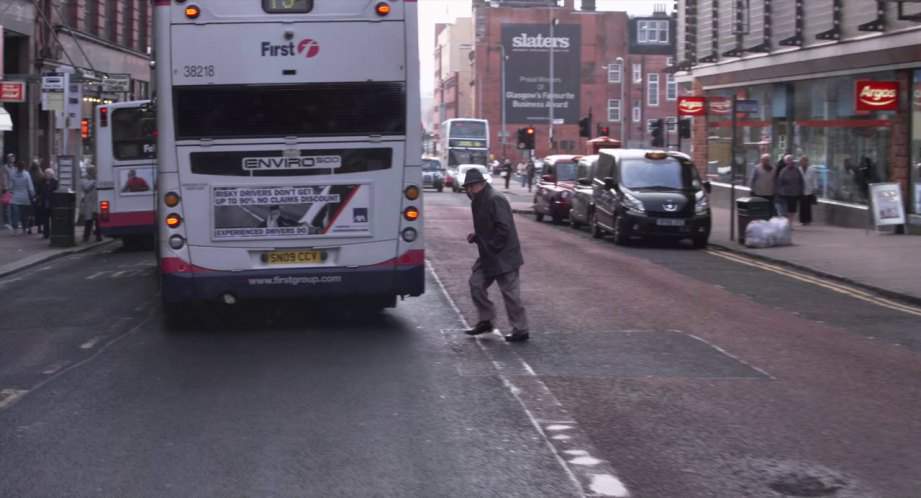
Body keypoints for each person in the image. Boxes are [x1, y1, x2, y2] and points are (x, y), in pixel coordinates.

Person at [463, 168, 529, 342]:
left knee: (510, 294)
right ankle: (486, 320)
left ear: (477, 184)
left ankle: (521, 329)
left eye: (469, 187)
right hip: (489, 254)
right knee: (476, 284)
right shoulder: (477, 200)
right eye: (467, 188)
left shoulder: (495, 198)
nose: (467, 191)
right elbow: (488, 226)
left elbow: (503, 228)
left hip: (503, 255)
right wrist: (477, 237)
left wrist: (491, 246)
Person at [774, 154, 804, 225]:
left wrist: (801, 190)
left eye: (791, 160)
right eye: (788, 161)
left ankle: (790, 223)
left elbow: (801, 181)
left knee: (792, 210)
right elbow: (779, 182)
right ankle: (786, 224)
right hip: (785, 194)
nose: (790, 162)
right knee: (785, 210)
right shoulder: (783, 171)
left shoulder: (797, 170)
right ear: (786, 162)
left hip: (794, 193)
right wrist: (779, 191)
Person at [9, 160, 35, 234]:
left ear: (17, 167)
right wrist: (33, 195)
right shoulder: (27, 174)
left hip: (15, 196)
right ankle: (24, 228)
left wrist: (11, 191)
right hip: (25, 196)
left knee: (15, 214)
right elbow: (30, 187)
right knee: (24, 214)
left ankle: (15, 229)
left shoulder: (13, 174)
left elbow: (11, 186)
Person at [79, 166, 102, 242]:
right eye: (92, 170)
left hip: (96, 202)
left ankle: (99, 236)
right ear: (88, 171)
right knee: (88, 222)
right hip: (89, 203)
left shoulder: (98, 178)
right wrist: (94, 181)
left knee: (98, 221)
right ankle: (86, 237)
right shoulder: (84, 179)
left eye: (94, 170)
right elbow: (86, 188)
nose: (94, 172)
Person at [38, 166, 58, 239]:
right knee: (45, 219)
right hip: (45, 203)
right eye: (45, 174)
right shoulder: (42, 182)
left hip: (52, 203)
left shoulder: (55, 182)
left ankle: (53, 233)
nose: (46, 175)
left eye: (48, 174)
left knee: (53, 219)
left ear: (52, 175)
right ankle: (46, 233)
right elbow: (40, 192)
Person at [799, 156, 819, 226]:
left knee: (807, 206)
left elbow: (815, 179)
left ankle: (808, 220)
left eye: (804, 161)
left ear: (807, 162)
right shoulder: (799, 169)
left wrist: (815, 188)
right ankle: (802, 220)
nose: (802, 163)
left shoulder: (812, 170)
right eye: (801, 161)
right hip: (801, 190)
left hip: (809, 190)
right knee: (802, 206)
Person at [2, 153, 16, 229]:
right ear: (8, 159)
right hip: (7, 189)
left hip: (14, 189)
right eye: (11, 158)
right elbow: (4, 178)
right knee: (7, 206)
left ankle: (13, 222)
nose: (13, 159)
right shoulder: (5, 167)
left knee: (13, 206)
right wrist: (5, 187)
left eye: (13, 158)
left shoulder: (14, 168)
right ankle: (7, 222)